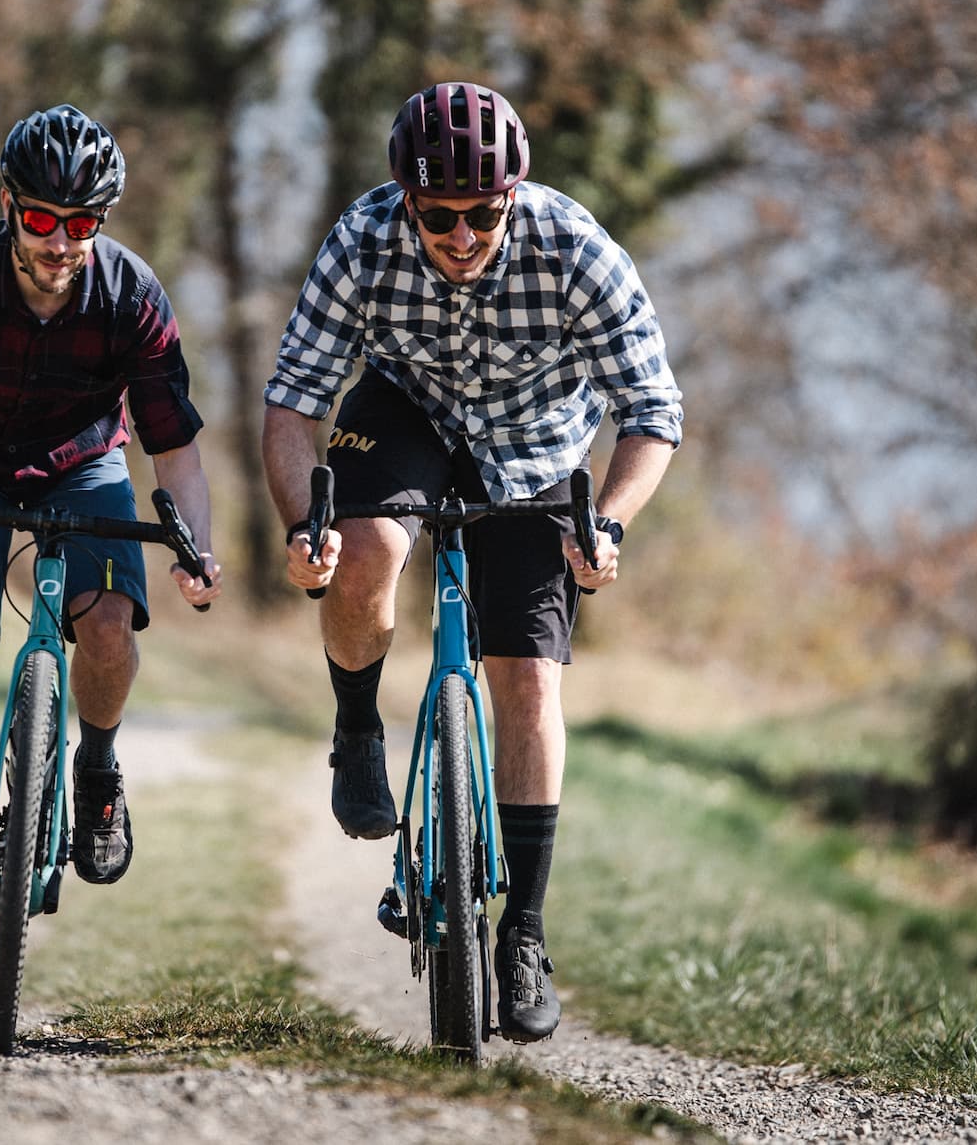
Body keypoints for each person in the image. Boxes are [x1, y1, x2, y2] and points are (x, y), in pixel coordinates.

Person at [261, 81, 682, 1042]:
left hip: (537, 442)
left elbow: (652, 411)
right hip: (404, 413)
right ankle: (359, 729)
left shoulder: (576, 249)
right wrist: (302, 524)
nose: (460, 235)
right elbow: (293, 400)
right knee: (364, 547)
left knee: (528, 682)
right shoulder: (363, 238)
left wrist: (607, 520)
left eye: (482, 214)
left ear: (512, 196)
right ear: (404, 198)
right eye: (437, 216)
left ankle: (523, 932)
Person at [0, 104, 222, 955]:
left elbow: (176, 451)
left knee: (104, 623)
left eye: (82, 224)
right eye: (42, 220)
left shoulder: (133, 295)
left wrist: (199, 551)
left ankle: (97, 767)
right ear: (8, 204)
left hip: (84, 464)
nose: (61, 243)